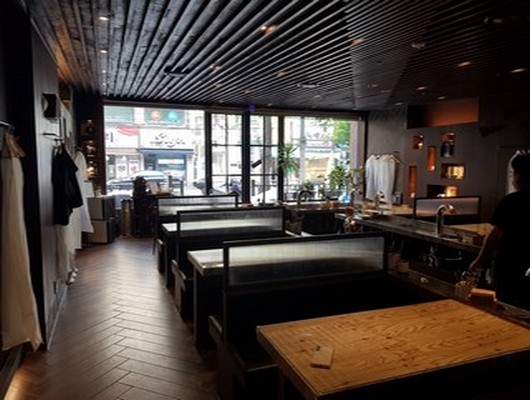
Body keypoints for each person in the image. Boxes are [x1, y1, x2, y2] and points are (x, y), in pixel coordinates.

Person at [463, 153, 530, 310]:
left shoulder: (512, 201)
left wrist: (478, 262)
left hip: (511, 264)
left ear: (518, 176)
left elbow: (495, 235)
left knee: (506, 305)